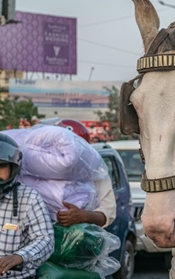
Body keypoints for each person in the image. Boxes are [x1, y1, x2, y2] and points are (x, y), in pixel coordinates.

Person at [0, 133, 54, 278]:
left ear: (13, 167)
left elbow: (45, 240)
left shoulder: (29, 198)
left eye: (2, 165)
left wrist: (19, 257)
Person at [55, 119, 116, 228]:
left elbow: (108, 212)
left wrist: (84, 216)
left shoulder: (97, 172)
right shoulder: (37, 171)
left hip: (83, 239)